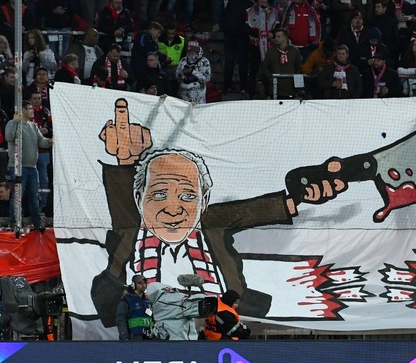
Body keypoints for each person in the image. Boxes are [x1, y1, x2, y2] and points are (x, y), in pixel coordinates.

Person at [90, 98, 348, 327]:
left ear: (203, 202)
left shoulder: (210, 222)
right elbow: (106, 304)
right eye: (159, 194)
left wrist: (302, 195)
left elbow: (251, 211)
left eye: (188, 196)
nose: (173, 208)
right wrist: (126, 162)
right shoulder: (130, 235)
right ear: (139, 199)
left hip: (218, 329)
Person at [5, 101, 52, 233]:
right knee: (17, 195)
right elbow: (9, 137)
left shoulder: (33, 126)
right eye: (30, 109)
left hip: (32, 167)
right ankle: (14, 222)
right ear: (23, 111)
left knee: (33, 195)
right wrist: (15, 121)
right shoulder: (12, 124)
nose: (32, 111)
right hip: (17, 166)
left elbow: (42, 141)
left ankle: (37, 223)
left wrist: (50, 141)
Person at [115, 274, 153, 340]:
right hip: (134, 338)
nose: (143, 285)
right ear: (133, 285)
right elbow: (121, 320)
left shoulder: (148, 301)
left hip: (150, 337)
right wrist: (124, 336)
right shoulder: (126, 301)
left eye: (145, 283)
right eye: (140, 283)